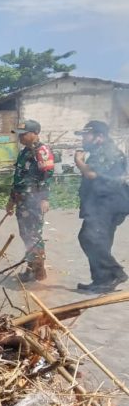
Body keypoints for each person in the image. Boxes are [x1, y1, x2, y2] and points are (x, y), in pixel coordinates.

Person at [73, 120, 128, 293]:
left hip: (108, 204)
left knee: (89, 238)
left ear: (100, 137)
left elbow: (91, 173)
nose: (83, 140)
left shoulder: (108, 151)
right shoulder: (99, 151)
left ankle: (115, 273)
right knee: (98, 240)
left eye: (86, 135)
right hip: (101, 203)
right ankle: (101, 280)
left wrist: (78, 161)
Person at [6, 120, 54, 284]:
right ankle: (32, 268)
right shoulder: (24, 152)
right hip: (22, 201)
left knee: (34, 235)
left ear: (35, 133)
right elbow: (18, 179)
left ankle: (38, 272)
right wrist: (11, 200)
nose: (20, 137)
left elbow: (47, 175)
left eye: (23, 133)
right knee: (26, 235)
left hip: (34, 200)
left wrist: (44, 198)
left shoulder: (42, 150)